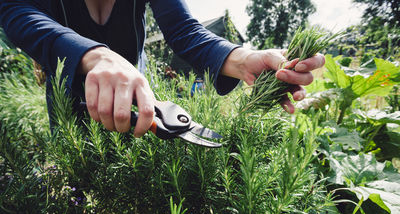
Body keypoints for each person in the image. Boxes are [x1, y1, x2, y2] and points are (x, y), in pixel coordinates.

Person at [0, 0, 325, 138]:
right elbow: (14, 10)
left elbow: (183, 30)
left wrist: (242, 60)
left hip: (140, 106)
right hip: (69, 103)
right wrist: (94, 56)